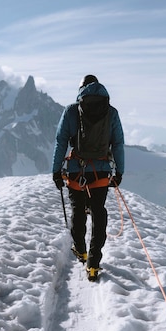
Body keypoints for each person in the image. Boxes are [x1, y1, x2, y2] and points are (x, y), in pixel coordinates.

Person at [52, 74, 125, 281]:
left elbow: (61, 141)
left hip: (76, 169)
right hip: (100, 172)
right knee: (98, 211)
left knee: (77, 209)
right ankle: (94, 263)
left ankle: (81, 250)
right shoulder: (111, 112)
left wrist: (56, 171)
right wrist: (119, 172)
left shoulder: (72, 111)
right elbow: (118, 143)